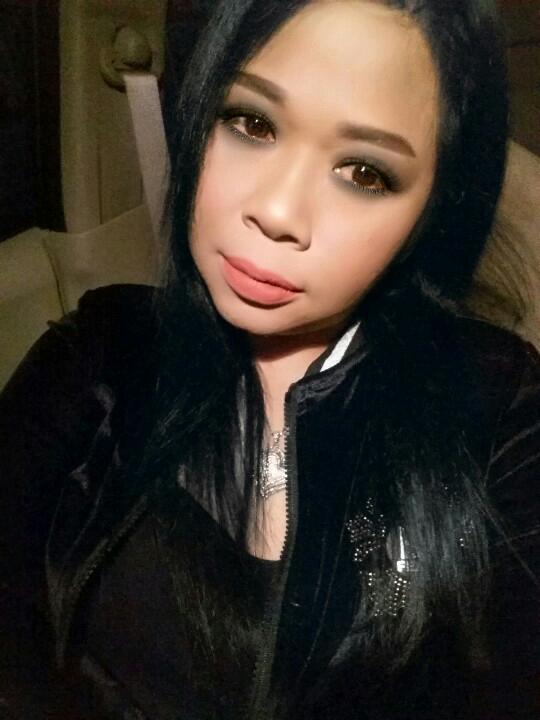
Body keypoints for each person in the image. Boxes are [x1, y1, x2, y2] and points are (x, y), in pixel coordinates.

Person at [1, 1, 539, 718]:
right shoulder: (96, 355)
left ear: (431, 212)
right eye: (251, 124)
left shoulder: (497, 408)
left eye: (365, 172)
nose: (279, 212)